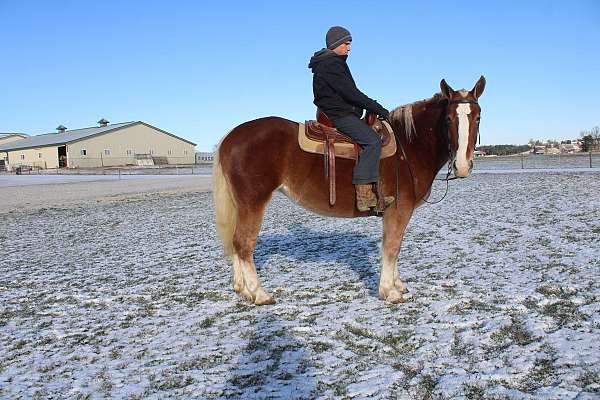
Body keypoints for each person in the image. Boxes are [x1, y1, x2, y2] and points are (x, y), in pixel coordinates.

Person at [308, 26, 394, 212]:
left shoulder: (327, 63)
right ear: (336, 44)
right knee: (372, 142)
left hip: (337, 112)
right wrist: (378, 108)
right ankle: (364, 196)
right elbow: (351, 93)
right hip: (339, 115)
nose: (349, 48)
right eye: (346, 43)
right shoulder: (332, 64)